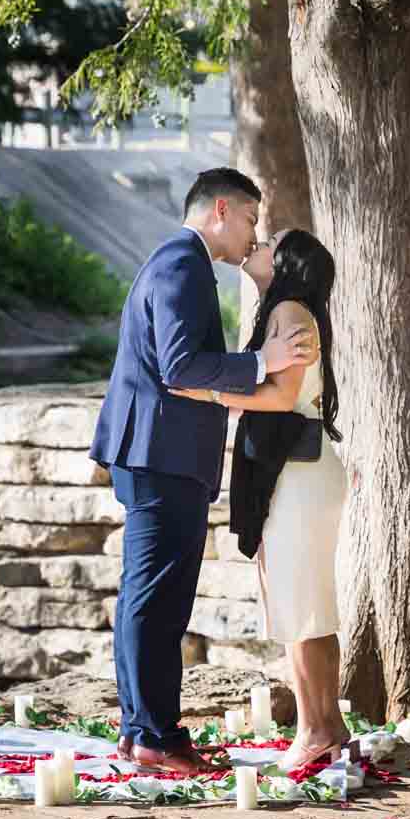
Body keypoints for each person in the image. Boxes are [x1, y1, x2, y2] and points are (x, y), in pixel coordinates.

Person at [89, 168, 317, 774]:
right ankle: (156, 740)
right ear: (220, 209)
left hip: (157, 454)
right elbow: (181, 366)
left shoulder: (179, 262)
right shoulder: (181, 264)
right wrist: (260, 362)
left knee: (151, 598)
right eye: (248, 219)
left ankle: (142, 731)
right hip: (159, 456)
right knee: (157, 601)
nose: (252, 234)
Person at [173, 228, 350, 772]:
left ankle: (316, 731)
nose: (258, 243)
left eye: (270, 240)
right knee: (302, 605)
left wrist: (206, 392)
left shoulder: (291, 312)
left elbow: (282, 396)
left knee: (302, 607)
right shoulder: (284, 311)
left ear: (287, 263)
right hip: (293, 473)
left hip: (296, 475)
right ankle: (327, 728)